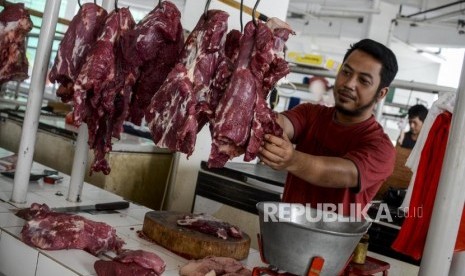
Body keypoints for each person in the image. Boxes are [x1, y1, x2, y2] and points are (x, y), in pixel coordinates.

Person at [258, 39, 398, 216]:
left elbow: (339, 174)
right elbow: (280, 125)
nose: (349, 84)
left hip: (332, 242)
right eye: (346, 72)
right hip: (285, 233)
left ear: (381, 93)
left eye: (363, 80)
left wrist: (291, 160)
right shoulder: (311, 113)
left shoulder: (381, 148)